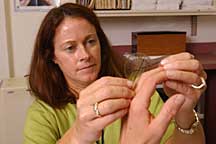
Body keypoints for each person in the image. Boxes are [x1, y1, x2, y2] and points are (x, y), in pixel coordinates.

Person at [23, 3, 206, 144]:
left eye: (91, 41)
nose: (85, 55)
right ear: (52, 57)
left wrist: (184, 111)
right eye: (70, 48)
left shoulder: (137, 88)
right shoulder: (43, 114)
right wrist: (77, 136)